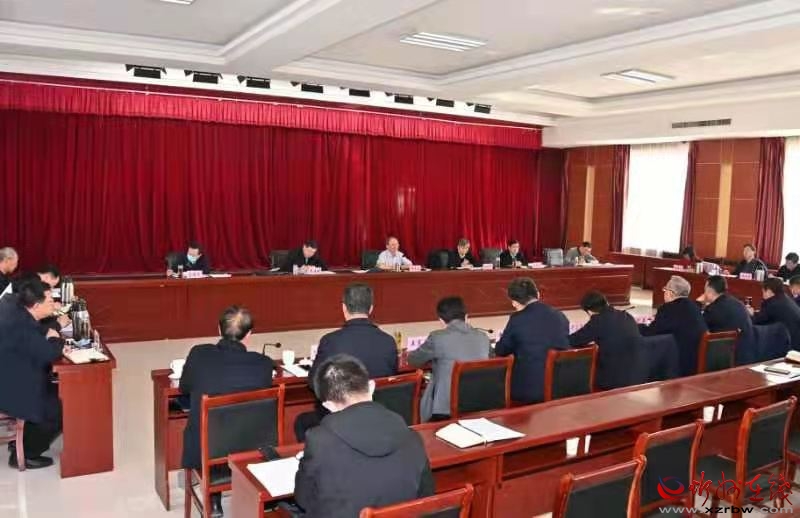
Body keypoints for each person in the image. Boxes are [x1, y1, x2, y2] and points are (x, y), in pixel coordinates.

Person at [294, 354, 433, 518]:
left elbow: (303, 499)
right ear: (372, 386)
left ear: (328, 405)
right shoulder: (412, 437)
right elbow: (426, 497)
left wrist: (306, 462)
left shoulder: (319, 441)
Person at [179, 306, 273, 517]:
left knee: (215, 430)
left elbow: (184, 387)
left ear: (219, 329)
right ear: (249, 334)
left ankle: (214, 500)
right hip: (250, 447)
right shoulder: (263, 365)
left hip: (206, 452)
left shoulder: (199, 354)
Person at [296, 283, 398, 441]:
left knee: (302, 422)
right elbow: (392, 377)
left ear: (344, 308)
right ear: (371, 309)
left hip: (340, 419)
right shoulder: (388, 341)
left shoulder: (331, 341)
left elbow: (315, 383)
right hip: (378, 414)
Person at [0, 277, 63, 469]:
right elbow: (49, 353)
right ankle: (27, 453)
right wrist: (55, 338)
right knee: (59, 408)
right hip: (9, 387)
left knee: (55, 387)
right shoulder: (21, 326)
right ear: (36, 305)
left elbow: (35, 336)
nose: (54, 304)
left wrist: (50, 331)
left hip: (9, 371)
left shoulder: (13, 305)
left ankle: (22, 440)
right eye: (50, 301)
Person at [407, 297, 490, 421]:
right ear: (466, 317)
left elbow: (413, 361)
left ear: (441, 320)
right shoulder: (483, 337)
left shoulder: (437, 337)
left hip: (445, 408)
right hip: (479, 403)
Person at [495, 278, 569, 403]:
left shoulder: (517, 319)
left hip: (529, 391)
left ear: (514, 302)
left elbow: (501, 350)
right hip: (560, 386)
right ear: (538, 294)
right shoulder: (560, 316)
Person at [569, 291, 642, 390]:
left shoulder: (597, 321)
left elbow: (574, 340)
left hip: (612, 380)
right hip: (637, 374)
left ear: (589, 312)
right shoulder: (626, 316)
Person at [639, 275, 708, 376]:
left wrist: (636, 326)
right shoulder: (694, 307)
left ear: (670, 293)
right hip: (695, 362)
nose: (664, 293)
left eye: (665, 290)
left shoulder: (668, 308)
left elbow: (652, 332)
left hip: (678, 365)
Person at [698, 275, 757, 365]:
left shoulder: (713, 309)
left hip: (727, 359)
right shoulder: (737, 303)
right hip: (747, 354)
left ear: (709, 290)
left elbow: (699, 325)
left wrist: (698, 303)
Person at [749, 277, 800, 347]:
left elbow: (757, 321)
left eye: (763, 291)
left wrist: (750, 314)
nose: (762, 294)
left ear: (769, 291)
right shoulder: (784, 298)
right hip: (794, 339)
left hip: (789, 344)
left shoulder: (773, 304)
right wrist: (755, 313)